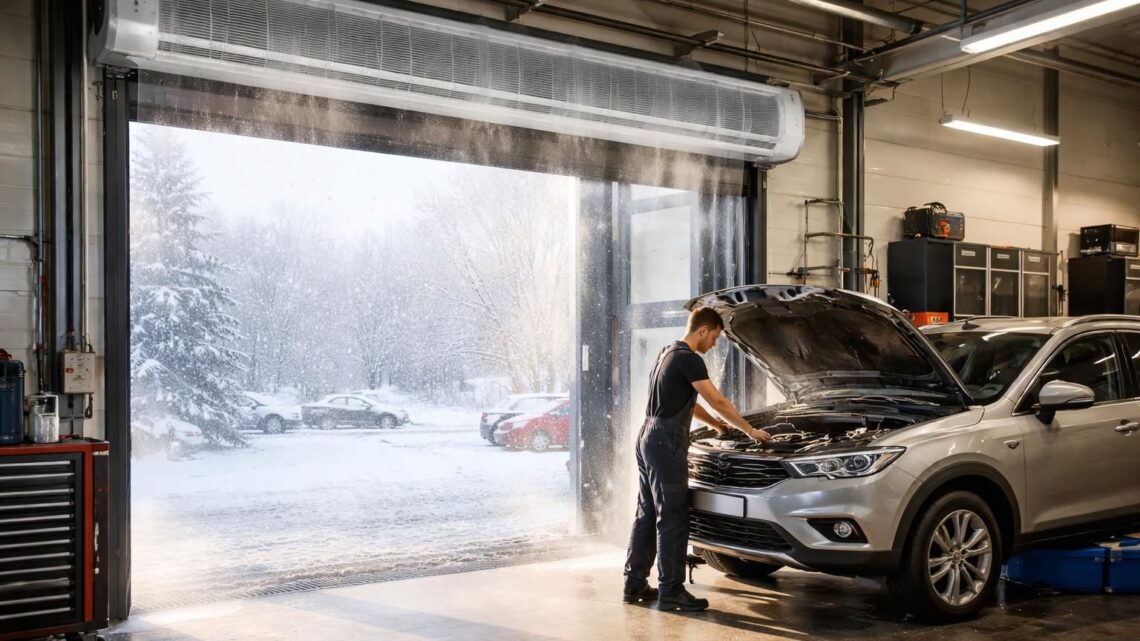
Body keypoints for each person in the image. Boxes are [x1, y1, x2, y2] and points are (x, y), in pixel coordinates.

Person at [623, 306, 772, 612]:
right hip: (666, 442)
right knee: (673, 517)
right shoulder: (690, 359)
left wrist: (716, 426)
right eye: (714, 337)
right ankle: (672, 591)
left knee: (647, 513)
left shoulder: (665, 354)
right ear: (702, 330)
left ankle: (634, 583)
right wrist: (750, 430)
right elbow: (716, 399)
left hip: (647, 437)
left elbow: (688, 402)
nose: (714, 344)